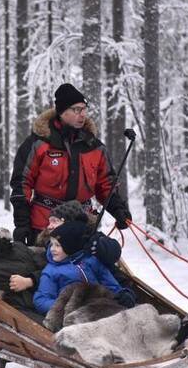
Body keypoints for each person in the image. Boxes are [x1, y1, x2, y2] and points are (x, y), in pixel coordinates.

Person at [10, 83, 132, 246]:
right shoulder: (38, 143)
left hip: (82, 226)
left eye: (84, 109)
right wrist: (22, 225)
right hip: (44, 228)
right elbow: (21, 184)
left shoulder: (94, 146)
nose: (82, 114)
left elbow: (106, 185)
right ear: (62, 112)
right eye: (76, 109)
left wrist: (119, 210)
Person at [33, 220, 131, 315]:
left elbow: (110, 284)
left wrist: (122, 294)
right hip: (73, 314)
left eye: (58, 245)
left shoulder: (91, 260)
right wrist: (64, 307)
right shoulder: (51, 271)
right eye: (51, 245)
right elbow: (41, 300)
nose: (52, 249)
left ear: (71, 246)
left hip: (100, 307)